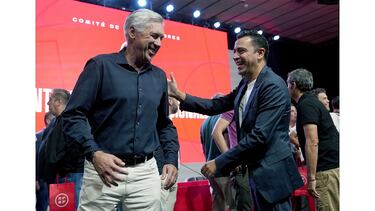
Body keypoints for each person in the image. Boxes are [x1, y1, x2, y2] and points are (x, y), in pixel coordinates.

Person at [168, 30, 303, 211]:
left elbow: (259, 136)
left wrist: (220, 162)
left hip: (273, 176)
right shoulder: (245, 84)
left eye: (241, 51)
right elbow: (216, 105)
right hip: (256, 173)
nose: (235, 57)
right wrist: (180, 95)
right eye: (234, 52)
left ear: (260, 53)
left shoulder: (273, 85)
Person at [61, 9, 179, 211]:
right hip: (103, 170)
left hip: (146, 173)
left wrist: (170, 159)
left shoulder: (159, 77)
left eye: (162, 38)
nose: (159, 43)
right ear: (132, 32)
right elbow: (73, 115)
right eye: (154, 36)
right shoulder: (100, 66)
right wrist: (94, 153)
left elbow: (164, 124)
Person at [287, 68, 339, 211]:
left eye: (287, 84)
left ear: (293, 84)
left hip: (325, 170)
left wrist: (311, 178)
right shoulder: (311, 102)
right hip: (331, 167)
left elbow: (312, 141)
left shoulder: (306, 104)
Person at [38, 88, 84, 210]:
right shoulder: (55, 121)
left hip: (69, 176)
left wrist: (62, 167)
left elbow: (76, 146)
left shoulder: (72, 119)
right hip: (59, 177)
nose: (48, 103)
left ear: (58, 101)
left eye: (50, 100)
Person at [212, 110, 253, 211]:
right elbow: (216, 132)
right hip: (241, 166)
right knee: (244, 206)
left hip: (255, 164)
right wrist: (230, 159)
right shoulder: (234, 107)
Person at [200, 94, 236, 211]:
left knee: (218, 205)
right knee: (233, 205)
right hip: (224, 169)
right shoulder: (225, 118)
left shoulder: (204, 124)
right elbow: (224, 139)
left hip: (211, 170)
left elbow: (204, 148)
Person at [36, 111, 55, 211]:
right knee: (42, 206)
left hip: (54, 178)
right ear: (48, 121)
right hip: (41, 180)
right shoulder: (38, 136)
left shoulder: (56, 135)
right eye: (54, 119)